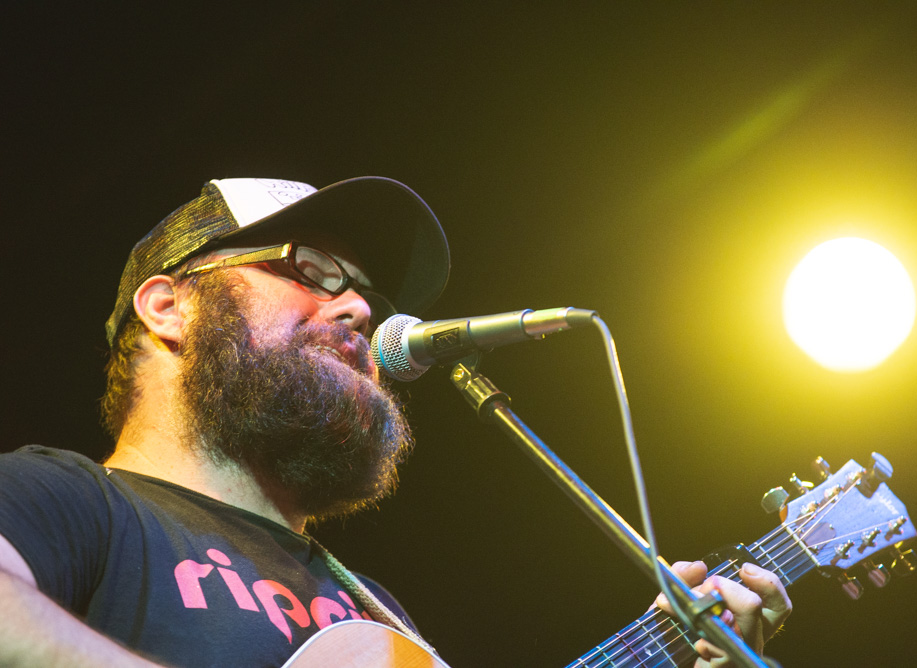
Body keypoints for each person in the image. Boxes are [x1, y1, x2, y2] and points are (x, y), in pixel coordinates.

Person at [0, 176, 789, 667]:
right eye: (310, 269)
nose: (360, 308)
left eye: (365, 290)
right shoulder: (70, 501)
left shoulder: (377, 616)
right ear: (169, 307)